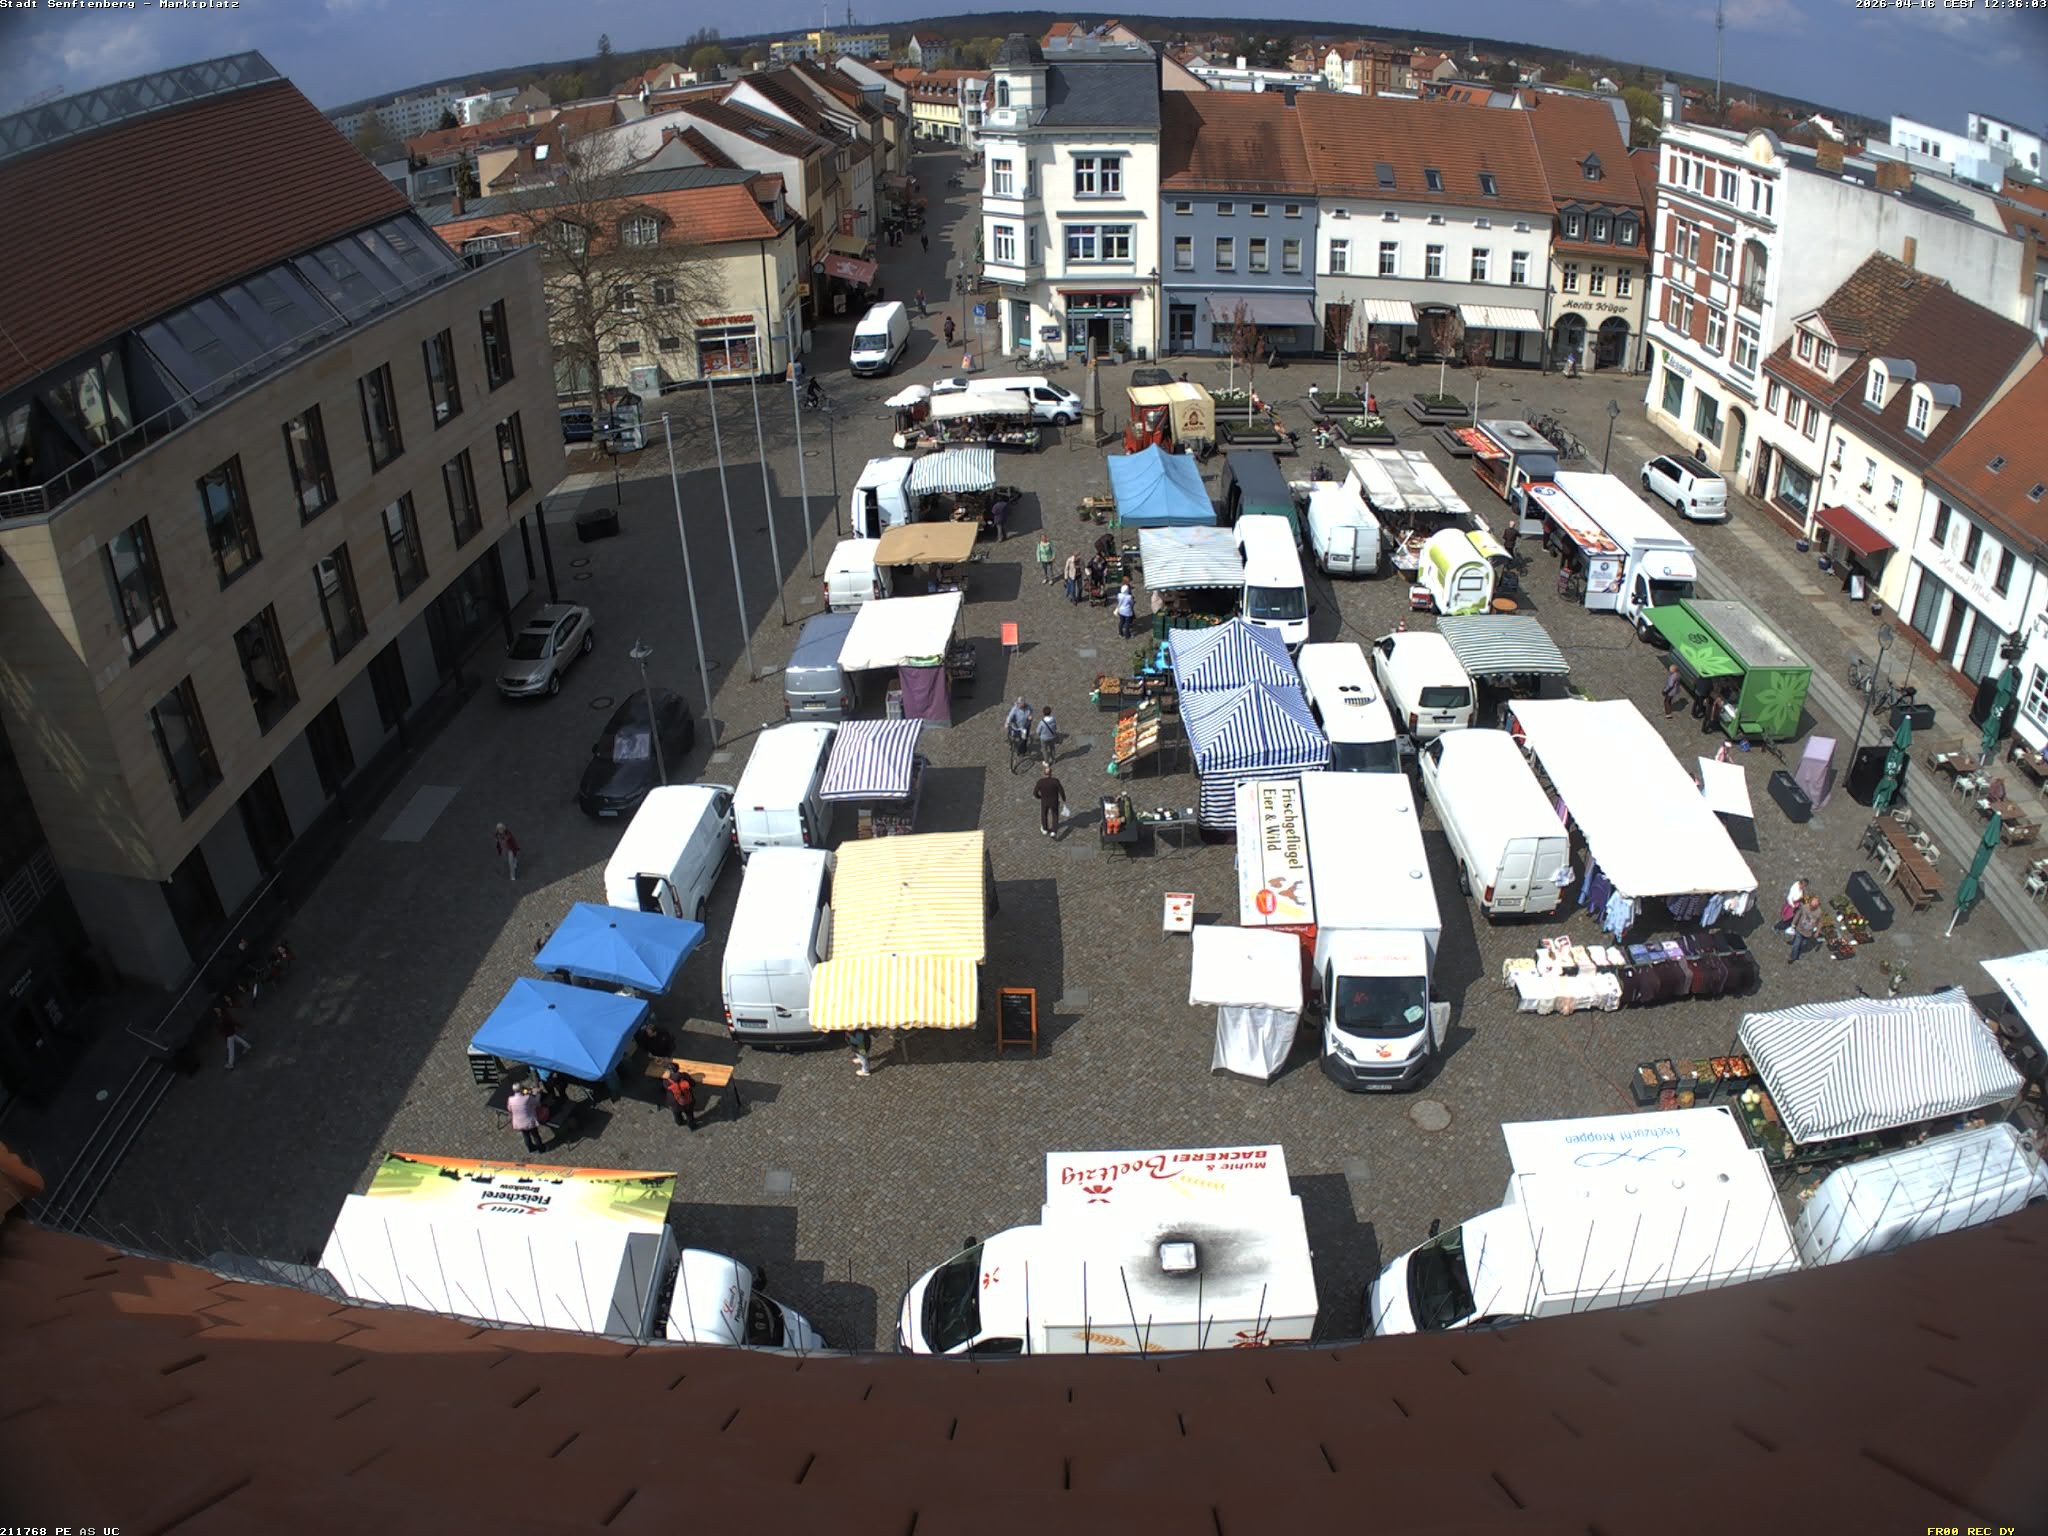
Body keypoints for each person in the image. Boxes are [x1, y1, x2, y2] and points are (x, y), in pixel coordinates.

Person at [1033, 761, 1067, 838]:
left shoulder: (1040, 782)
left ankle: (1045, 829)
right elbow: (1061, 791)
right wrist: (1064, 799)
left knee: (1044, 814)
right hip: (1054, 801)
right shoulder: (1055, 781)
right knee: (1055, 815)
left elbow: (1035, 793)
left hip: (1044, 801)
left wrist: (1039, 797)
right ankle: (1054, 831)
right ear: (1051, 773)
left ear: (1044, 773)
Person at [1787, 894, 1824, 965]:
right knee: (1796, 945)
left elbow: (1820, 923)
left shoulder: (1819, 912)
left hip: (1808, 933)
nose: (1811, 907)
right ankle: (1792, 957)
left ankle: (1794, 943)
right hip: (1799, 929)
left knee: (1803, 943)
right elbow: (1798, 914)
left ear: (1817, 906)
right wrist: (1793, 923)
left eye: (1813, 907)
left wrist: (1817, 932)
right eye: (1811, 905)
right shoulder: (1805, 907)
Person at [508, 1083, 546, 1154]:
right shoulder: (527, 1098)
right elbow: (537, 1103)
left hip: (519, 1122)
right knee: (535, 1135)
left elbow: (509, 1109)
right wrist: (538, 1094)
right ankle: (541, 1149)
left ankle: (530, 1148)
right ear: (521, 1089)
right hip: (529, 1121)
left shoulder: (511, 1100)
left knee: (526, 1136)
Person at [216, 1003, 253, 1071]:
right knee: (237, 1039)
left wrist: (240, 1025)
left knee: (231, 1049)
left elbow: (232, 1022)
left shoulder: (224, 1016)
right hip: (229, 1033)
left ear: (220, 1009)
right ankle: (247, 1046)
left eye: (217, 1009)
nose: (216, 1010)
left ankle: (230, 1064)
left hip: (229, 1034)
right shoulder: (221, 1016)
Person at [662, 1065, 698, 1131]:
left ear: (670, 1071)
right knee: (689, 1114)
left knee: (676, 1113)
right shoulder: (684, 1076)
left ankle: (679, 1122)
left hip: (674, 1102)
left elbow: (665, 1088)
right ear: (678, 1069)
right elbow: (693, 1084)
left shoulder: (666, 1081)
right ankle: (691, 1126)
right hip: (687, 1101)